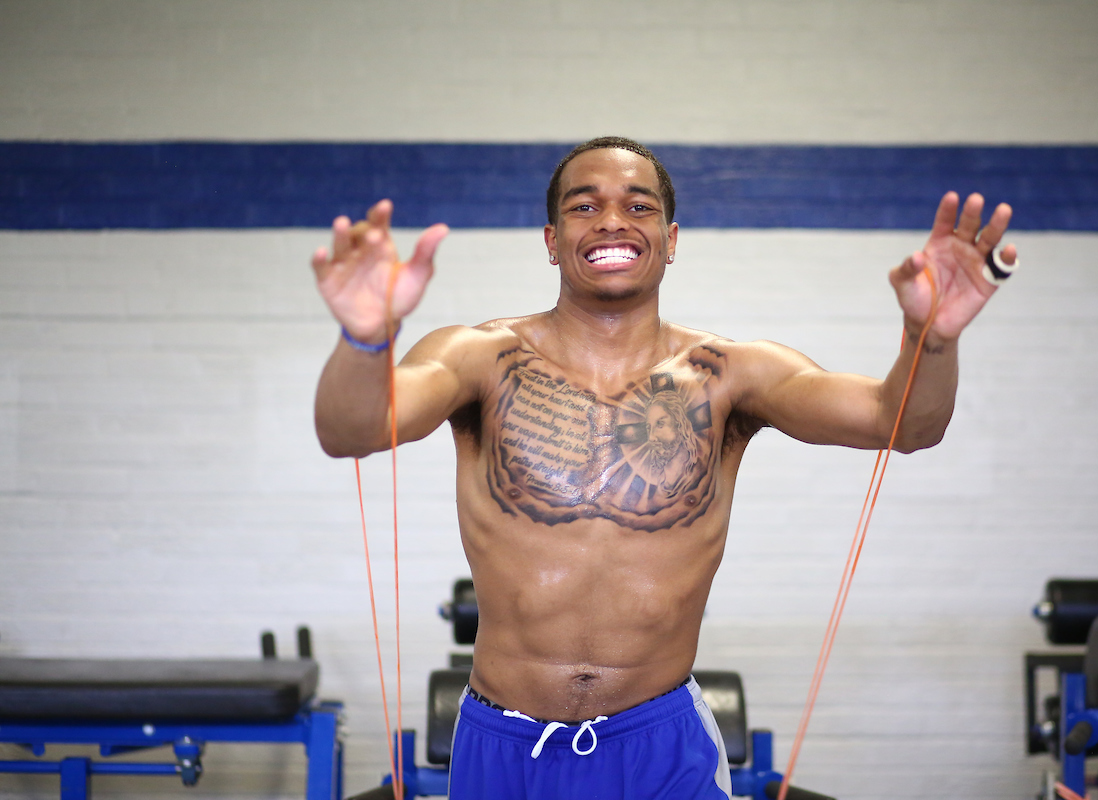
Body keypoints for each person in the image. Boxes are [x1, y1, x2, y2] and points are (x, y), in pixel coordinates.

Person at [311, 136, 1017, 799]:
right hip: (502, 742)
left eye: (639, 205)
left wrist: (932, 340)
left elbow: (904, 425)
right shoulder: (477, 357)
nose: (612, 220)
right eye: (584, 205)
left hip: (660, 744)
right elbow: (350, 432)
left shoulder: (733, 374)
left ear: (671, 240)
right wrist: (363, 340)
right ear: (553, 242)